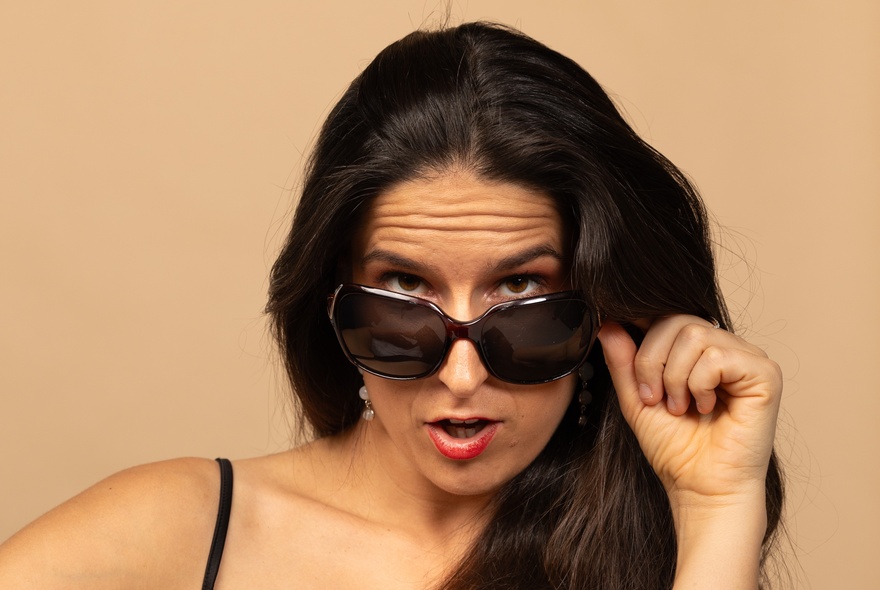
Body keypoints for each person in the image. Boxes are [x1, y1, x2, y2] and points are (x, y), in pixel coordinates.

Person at [0, 22, 784, 589]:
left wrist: (716, 510)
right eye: (407, 293)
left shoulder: (647, 548)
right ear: (335, 297)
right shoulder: (187, 528)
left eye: (521, 295)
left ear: (604, 312)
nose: (464, 373)